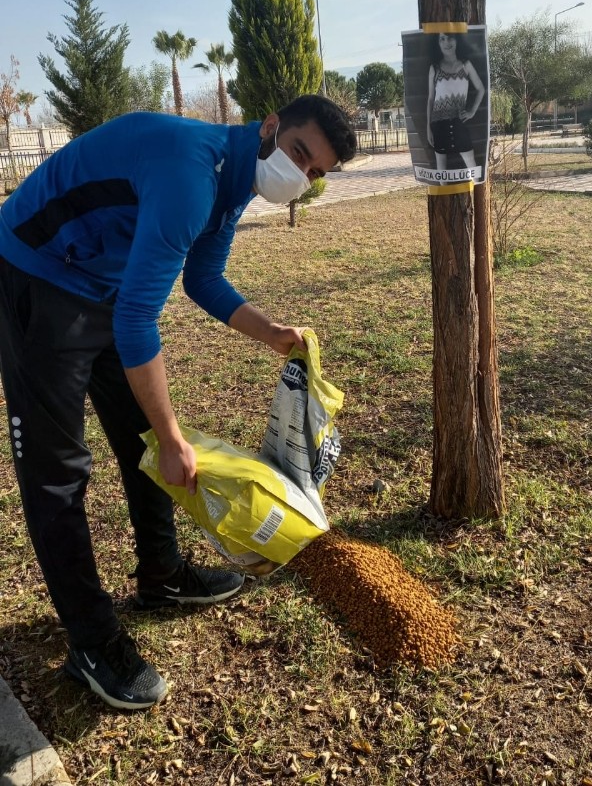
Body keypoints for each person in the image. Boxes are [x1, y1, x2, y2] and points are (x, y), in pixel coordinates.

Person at [0, 95, 356, 711]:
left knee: (138, 436)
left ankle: (162, 577)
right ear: (271, 127)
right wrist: (173, 439)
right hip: (36, 274)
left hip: (101, 283)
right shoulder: (193, 175)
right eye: (299, 153)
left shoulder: (235, 178)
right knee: (58, 473)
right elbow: (139, 321)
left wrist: (271, 332)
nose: (299, 175)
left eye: (314, 171)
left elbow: (203, 278)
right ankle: (92, 641)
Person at [426, 32, 486, 172]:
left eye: (450, 38)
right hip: (439, 125)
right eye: (442, 39)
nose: (446, 42)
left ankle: (476, 185)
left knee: (472, 167)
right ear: (438, 43)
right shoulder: (434, 68)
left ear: (456, 40)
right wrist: (428, 128)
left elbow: (481, 89)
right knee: (442, 170)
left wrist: (472, 112)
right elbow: (431, 99)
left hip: (459, 122)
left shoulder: (466, 65)